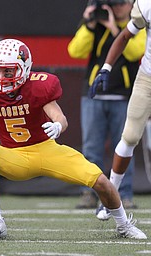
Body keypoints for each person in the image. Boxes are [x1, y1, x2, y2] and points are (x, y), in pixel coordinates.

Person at [0, 38, 147, 240]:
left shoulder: (38, 86)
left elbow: (60, 118)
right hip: (14, 157)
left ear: (24, 67)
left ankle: (123, 224)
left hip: (47, 150)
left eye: (8, 70)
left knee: (101, 182)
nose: (1, 76)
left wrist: (57, 126)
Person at [67, 0, 146, 215]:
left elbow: (134, 52)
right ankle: (89, 193)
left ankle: (125, 194)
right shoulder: (95, 26)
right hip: (94, 95)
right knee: (91, 148)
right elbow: (75, 50)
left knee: (124, 146)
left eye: (121, 3)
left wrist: (115, 28)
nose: (117, 8)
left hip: (123, 95)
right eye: (113, 3)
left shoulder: (137, 24)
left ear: (130, 5)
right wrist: (88, 23)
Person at [91, 0, 151, 222]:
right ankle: (109, 198)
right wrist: (106, 67)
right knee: (130, 136)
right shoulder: (146, 5)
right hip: (147, 79)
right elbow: (125, 36)